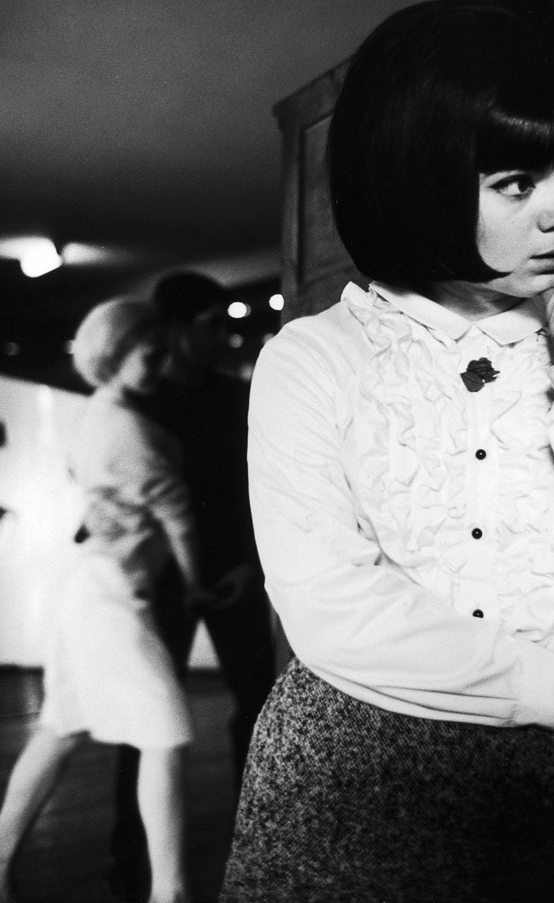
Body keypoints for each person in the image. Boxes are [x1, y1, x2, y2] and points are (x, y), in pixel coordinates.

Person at [220, 0, 554, 903]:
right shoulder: (316, 359)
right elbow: (333, 612)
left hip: (548, 789)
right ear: (414, 177)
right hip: (357, 781)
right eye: (516, 184)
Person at [0, 298, 200, 903]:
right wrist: (199, 584)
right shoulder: (130, 426)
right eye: (150, 352)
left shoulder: (98, 415)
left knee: (60, 727)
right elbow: (180, 520)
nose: (160, 363)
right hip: (113, 596)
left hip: (92, 585)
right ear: (114, 352)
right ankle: (171, 891)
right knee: (165, 735)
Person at [108, 273, 275, 896]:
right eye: (210, 324)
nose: (222, 335)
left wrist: (249, 567)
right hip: (163, 585)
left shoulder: (233, 398)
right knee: (143, 716)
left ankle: (256, 844)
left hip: (230, 578)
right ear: (175, 328)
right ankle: (129, 861)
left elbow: (254, 493)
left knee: (256, 705)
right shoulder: (137, 402)